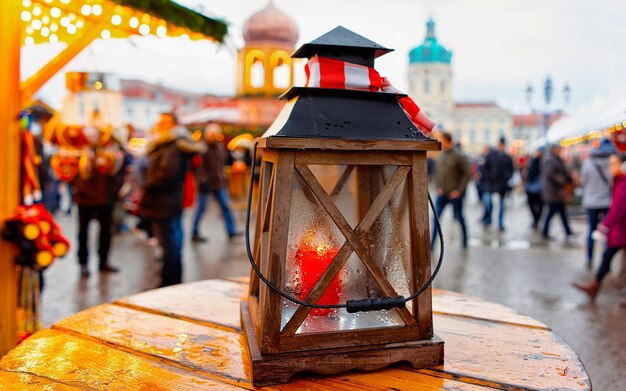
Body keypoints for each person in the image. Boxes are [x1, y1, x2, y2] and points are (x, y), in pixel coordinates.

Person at [140, 113, 206, 287]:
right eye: (160, 121)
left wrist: (147, 185)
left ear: (174, 125)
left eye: (165, 122)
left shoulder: (172, 145)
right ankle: (172, 278)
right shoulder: (168, 144)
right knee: (172, 240)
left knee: (170, 243)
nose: (161, 125)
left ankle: (170, 280)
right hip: (167, 200)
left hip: (165, 200)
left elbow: (167, 174)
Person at [573, 155, 626, 301]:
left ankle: (594, 286)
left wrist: (605, 226)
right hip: (620, 229)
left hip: (621, 229)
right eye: (610, 164)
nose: (610, 167)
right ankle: (594, 285)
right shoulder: (618, 181)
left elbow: (618, 209)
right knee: (607, 256)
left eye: (614, 164)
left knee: (608, 256)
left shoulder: (622, 182)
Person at [71, 144, 126, 277]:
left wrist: (114, 191)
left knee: (106, 231)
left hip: (106, 199)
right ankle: (83, 263)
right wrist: (81, 188)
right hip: (85, 199)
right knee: (83, 232)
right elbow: (72, 172)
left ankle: (104, 260)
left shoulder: (113, 151)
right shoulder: (82, 150)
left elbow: (121, 172)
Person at [191, 123, 241, 242]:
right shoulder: (202, 147)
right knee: (201, 209)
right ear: (207, 134)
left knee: (226, 206)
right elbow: (199, 167)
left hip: (219, 183)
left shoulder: (220, 147)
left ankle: (231, 230)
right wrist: (203, 181)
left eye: (215, 134)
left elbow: (225, 160)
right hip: (205, 184)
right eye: (211, 134)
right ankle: (194, 232)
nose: (213, 136)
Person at [431, 131, 471, 249]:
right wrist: (438, 187)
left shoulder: (459, 155)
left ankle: (465, 242)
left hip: (455, 194)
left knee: (460, 218)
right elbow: (436, 173)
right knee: (436, 219)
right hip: (442, 193)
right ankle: (432, 244)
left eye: (441, 139)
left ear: (447, 140)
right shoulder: (441, 154)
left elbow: (466, 175)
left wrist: (459, 191)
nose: (440, 141)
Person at [580, 139, 615, 268]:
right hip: (607, 202)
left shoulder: (588, 163)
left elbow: (583, 181)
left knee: (591, 230)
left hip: (590, 202)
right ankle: (606, 261)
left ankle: (589, 258)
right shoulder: (612, 163)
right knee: (606, 232)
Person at [541, 144, 574, 240]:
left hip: (555, 191)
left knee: (561, 212)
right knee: (552, 212)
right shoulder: (550, 160)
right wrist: (563, 181)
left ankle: (567, 231)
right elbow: (551, 174)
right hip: (553, 191)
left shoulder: (555, 159)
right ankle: (545, 231)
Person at [481, 138, 514, 231]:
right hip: (491, 183)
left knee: (502, 205)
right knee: (488, 203)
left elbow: (511, 170)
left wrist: (506, 178)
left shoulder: (507, 157)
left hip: (502, 184)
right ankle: (488, 218)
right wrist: (489, 177)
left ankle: (500, 223)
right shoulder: (491, 155)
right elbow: (485, 168)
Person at [525, 148, 544, 231]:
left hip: (538, 187)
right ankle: (536, 219)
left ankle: (536, 219)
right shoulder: (533, 161)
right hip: (533, 187)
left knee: (539, 205)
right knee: (534, 205)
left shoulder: (543, 162)